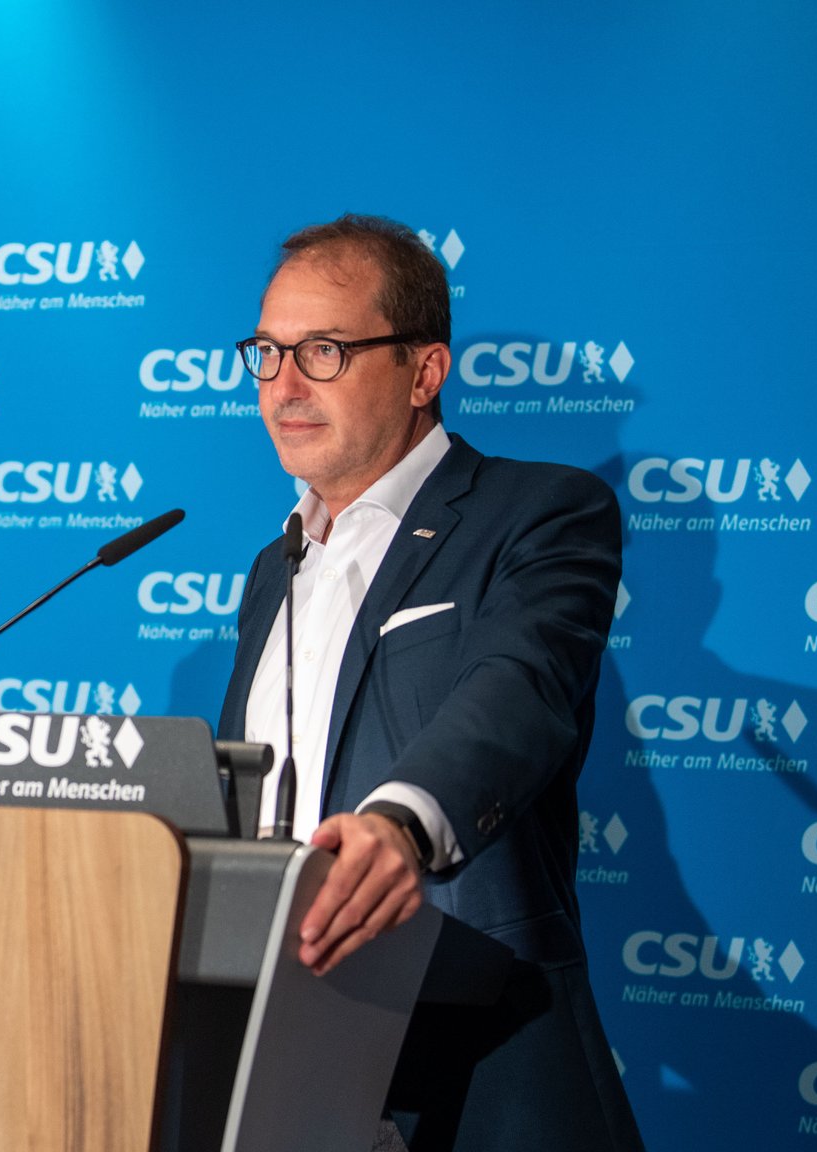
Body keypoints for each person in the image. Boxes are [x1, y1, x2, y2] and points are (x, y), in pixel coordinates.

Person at [216, 215, 643, 1151]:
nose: (283, 385)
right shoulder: (268, 570)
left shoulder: (539, 514)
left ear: (423, 371)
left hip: (476, 1048)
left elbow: (517, 692)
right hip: (279, 1050)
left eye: (323, 351)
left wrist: (401, 823)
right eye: (267, 352)